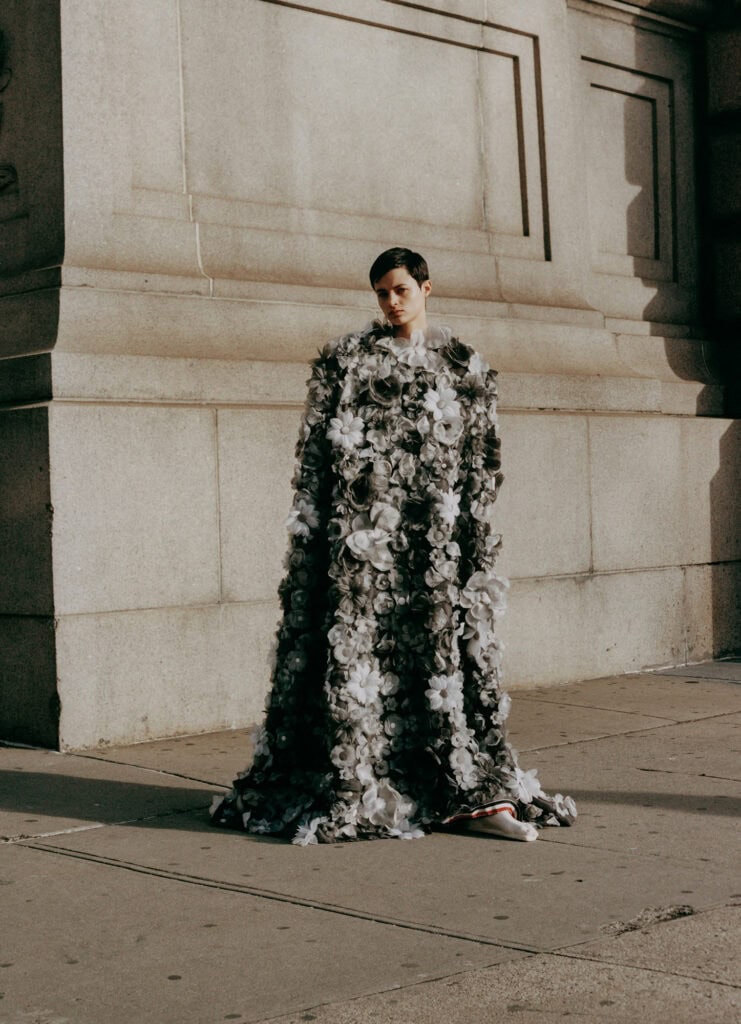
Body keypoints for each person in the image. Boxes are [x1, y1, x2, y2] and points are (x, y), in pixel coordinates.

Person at [211, 247, 576, 844]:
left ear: (427, 288)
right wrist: (323, 545)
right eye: (381, 292)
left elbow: (481, 467)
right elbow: (314, 462)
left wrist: (466, 544)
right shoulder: (345, 362)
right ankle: (367, 780)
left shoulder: (462, 367)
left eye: (401, 289)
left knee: (436, 657)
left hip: (431, 546)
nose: (390, 301)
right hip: (363, 552)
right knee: (363, 664)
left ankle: (466, 794)